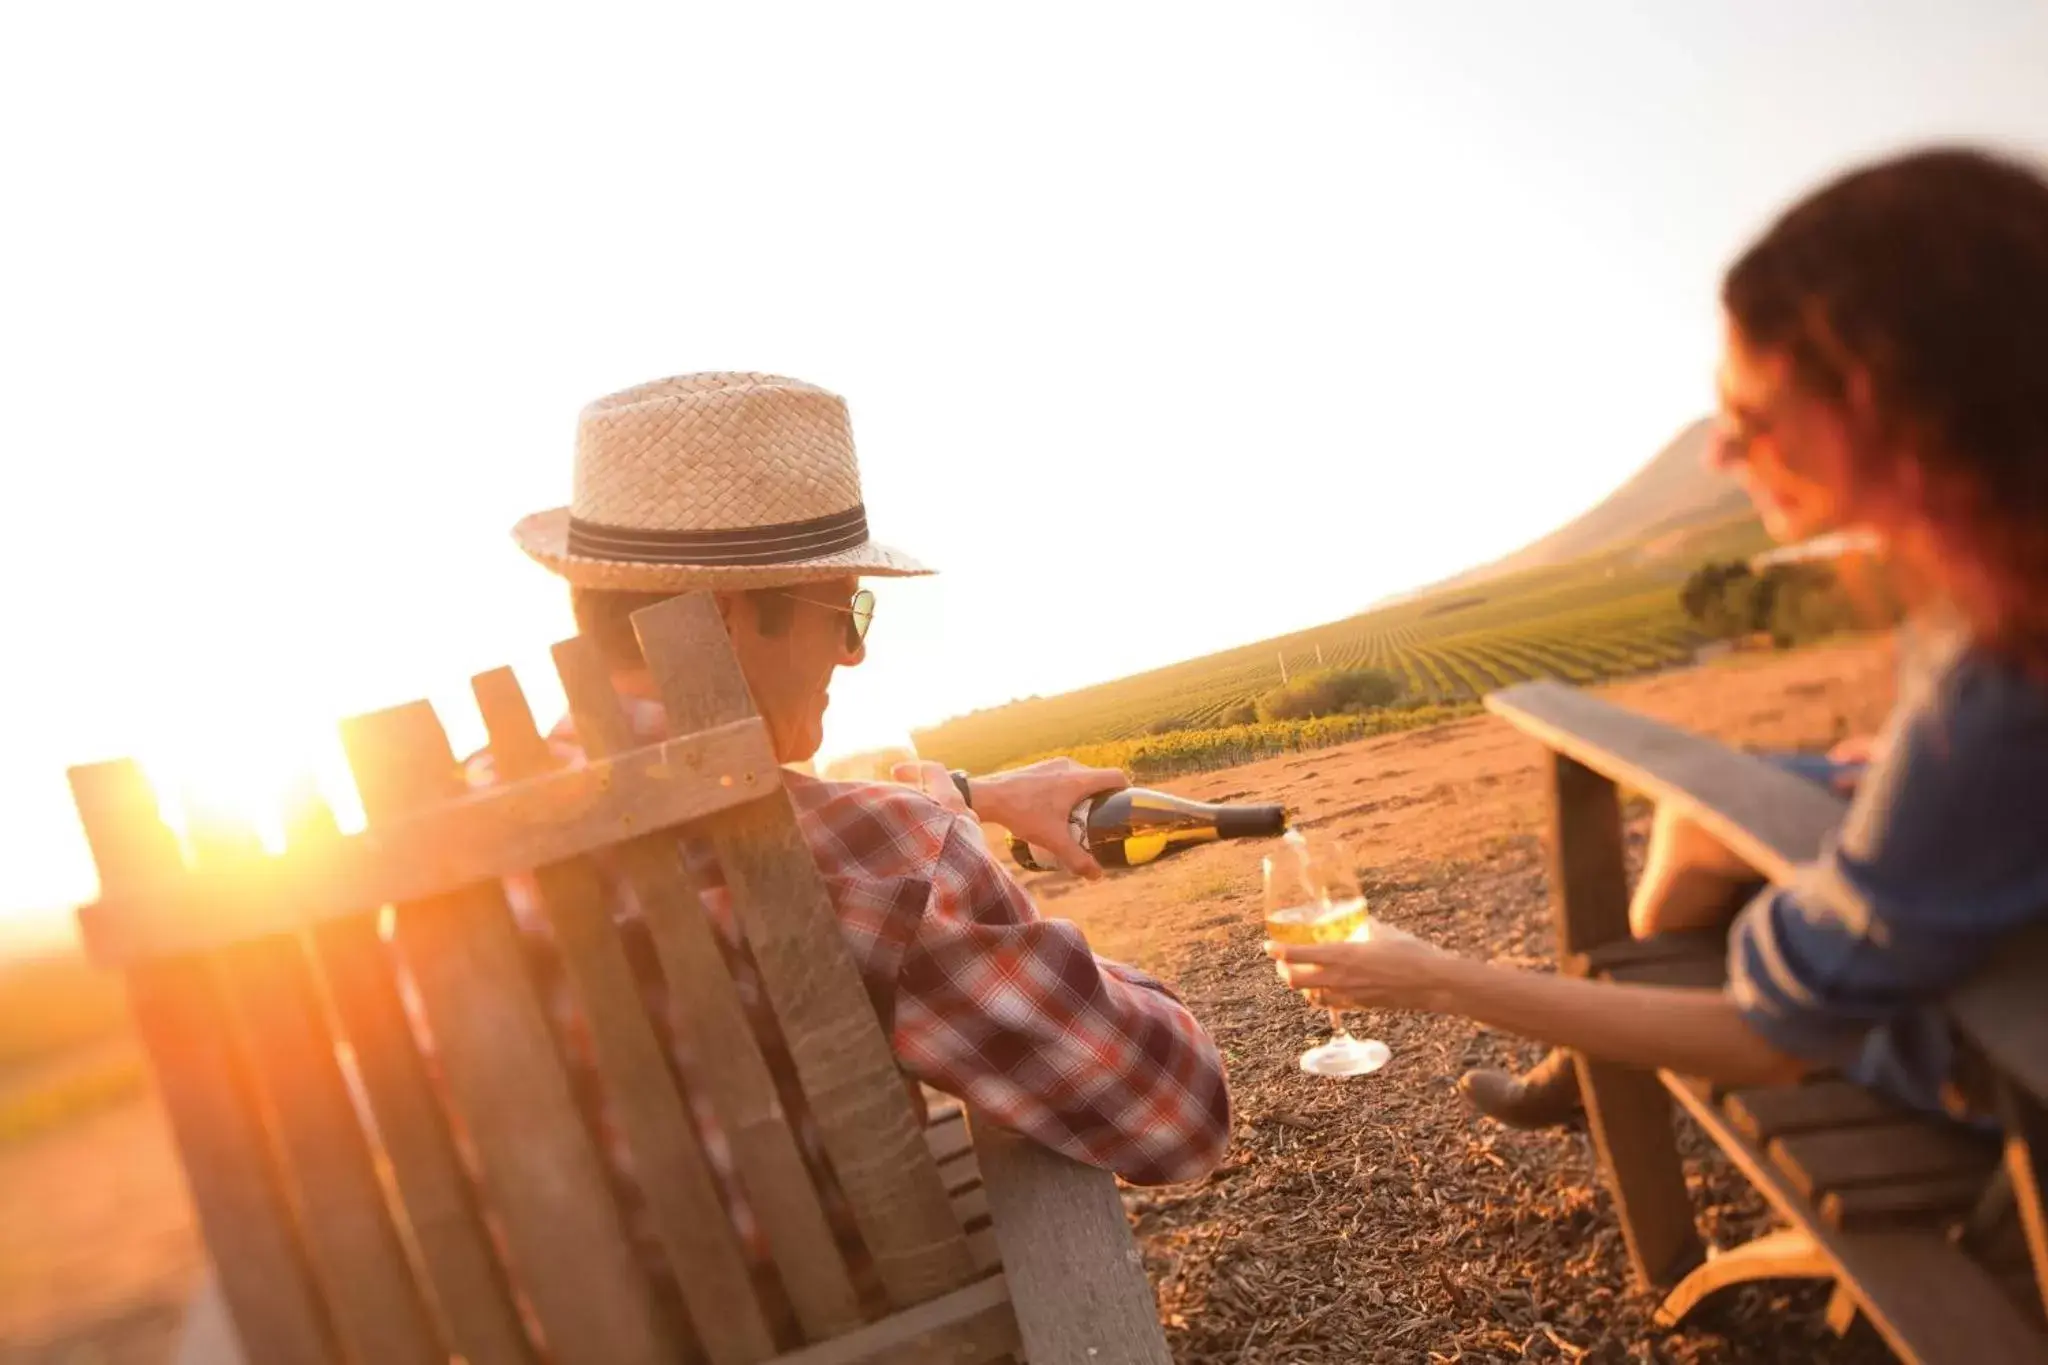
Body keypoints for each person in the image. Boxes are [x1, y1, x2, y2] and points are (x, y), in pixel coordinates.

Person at [416, 373, 1229, 1328]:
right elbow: (1176, 1113)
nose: (854, 655)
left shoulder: (429, 851)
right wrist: (958, 841)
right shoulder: (875, 856)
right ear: (717, 617)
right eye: (843, 610)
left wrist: (961, 797)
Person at [1268, 146, 2048, 1129]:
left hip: (1997, 1057)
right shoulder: (1996, 581)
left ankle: (1603, 1059)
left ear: (1880, 405)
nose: (1720, 454)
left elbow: (1764, 1040)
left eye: (1750, 416)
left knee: (1755, 930)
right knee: (1692, 821)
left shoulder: (1993, 695)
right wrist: (1914, 772)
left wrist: (1437, 978)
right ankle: (1586, 1069)